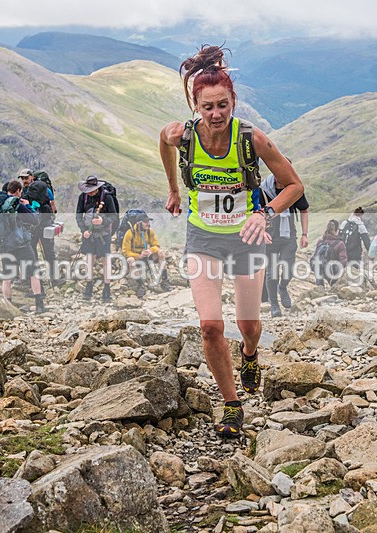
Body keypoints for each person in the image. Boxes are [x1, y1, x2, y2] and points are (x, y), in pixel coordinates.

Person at [159, 45, 304, 438]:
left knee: (248, 324)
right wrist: (173, 189)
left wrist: (264, 213)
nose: (216, 114)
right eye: (207, 107)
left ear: (233, 102)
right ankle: (231, 405)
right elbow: (162, 140)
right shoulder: (183, 135)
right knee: (210, 326)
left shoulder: (251, 139)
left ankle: (250, 353)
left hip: (246, 238)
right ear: (195, 106)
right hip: (202, 237)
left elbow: (294, 186)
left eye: (222, 105)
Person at [260, 171, 309, 318]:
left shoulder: (293, 189)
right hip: (270, 236)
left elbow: (304, 210)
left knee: (288, 267)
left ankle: (283, 287)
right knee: (272, 273)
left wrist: (304, 234)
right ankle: (274, 305)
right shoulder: (263, 190)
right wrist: (262, 232)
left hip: (289, 236)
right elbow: (255, 212)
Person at [0, 180, 46, 313]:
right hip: (21, 245)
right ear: (19, 191)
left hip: (5, 246)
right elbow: (35, 220)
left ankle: (7, 307)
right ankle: (39, 305)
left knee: (7, 277)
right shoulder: (18, 204)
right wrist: (29, 206)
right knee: (33, 273)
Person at [76, 176, 118, 302]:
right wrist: (83, 230)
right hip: (89, 234)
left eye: (91, 190)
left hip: (103, 235)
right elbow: (78, 216)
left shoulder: (107, 197)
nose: (89, 192)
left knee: (105, 260)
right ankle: (89, 285)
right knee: (89, 259)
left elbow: (114, 216)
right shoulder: (83, 197)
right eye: (87, 190)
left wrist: (102, 221)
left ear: (97, 188)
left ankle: (107, 288)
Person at [22, 178, 64, 289]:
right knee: (49, 252)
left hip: (33, 228)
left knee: (32, 253)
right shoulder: (45, 203)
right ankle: (54, 278)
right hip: (45, 225)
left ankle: (35, 280)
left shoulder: (27, 200)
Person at [121, 212, 172, 297]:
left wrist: (150, 251)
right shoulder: (130, 233)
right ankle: (140, 285)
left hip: (147, 255)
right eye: (145, 222)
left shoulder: (149, 231)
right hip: (136, 256)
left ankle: (164, 281)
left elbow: (156, 245)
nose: (148, 224)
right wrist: (139, 256)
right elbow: (125, 251)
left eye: (148, 221)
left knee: (160, 254)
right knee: (130, 260)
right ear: (138, 223)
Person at [311, 219, 348, 287]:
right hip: (331, 271)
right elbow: (343, 262)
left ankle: (319, 287)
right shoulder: (340, 243)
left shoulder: (320, 241)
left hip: (319, 269)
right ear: (337, 230)